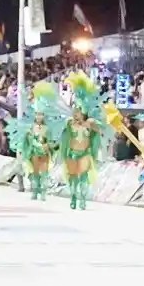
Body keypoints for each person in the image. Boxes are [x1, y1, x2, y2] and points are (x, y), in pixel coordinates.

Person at [59, 71, 108, 210]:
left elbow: (102, 128)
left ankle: (83, 198)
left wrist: (96, 121)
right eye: (75, 111)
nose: (76, 114)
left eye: (79, 111)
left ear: (84, 112)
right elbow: (63, 132)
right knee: (73, 178)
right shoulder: (69, 123)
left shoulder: (90, 123)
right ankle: (74, 196)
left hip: (85, 153)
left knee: (83, 177)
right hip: (72, 153)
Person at [7, 81, 62, 201]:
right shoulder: (30, 128)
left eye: (41, 115)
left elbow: (52, 141)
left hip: (44, 153)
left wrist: (50, 145)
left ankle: (42, 192)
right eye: (37, 114)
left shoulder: (47, 129)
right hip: (33, 153)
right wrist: (30, 145)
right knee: (33, 172)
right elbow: (27, 140)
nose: (39, 117)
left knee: (44, 173)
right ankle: (35, 190)